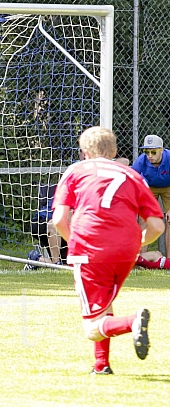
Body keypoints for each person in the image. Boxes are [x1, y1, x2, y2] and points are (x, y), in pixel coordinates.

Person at [52, 126, 165, 375]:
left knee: (92, 328)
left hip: (90, 249)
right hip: (126, 252)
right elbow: (158, 225)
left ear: (84, 153)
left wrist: (75, 244)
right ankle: (101, 365)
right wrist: (136, 244)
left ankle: (132, 321)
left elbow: (59, 220)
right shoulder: (132, 174)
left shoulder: (76, 170)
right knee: (103, 305)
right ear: (114, 151)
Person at [131, 134, 170, 254]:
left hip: (168, 187)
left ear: (162, 150)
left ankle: (169, 260)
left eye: (153, 152)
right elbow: (132, 179)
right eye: (146, 152)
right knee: (144, 218)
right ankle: (142, 257)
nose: (149, 156)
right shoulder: (142, 160)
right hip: (149, 187)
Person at [26, 183, 68, 269]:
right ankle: (56, 264)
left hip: (62, 229)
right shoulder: (70, 191)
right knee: (53, 224)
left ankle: (37, 260)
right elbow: (66, 217)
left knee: (69, 265)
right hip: (42, 222)